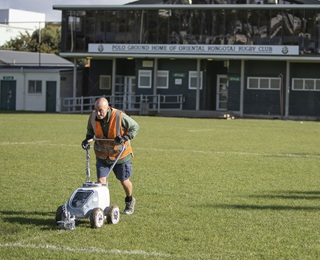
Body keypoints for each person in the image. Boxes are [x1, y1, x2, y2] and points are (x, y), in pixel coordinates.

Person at [81, 97, 140, 215]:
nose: (98, 113)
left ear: (108, 108)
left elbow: (135, 127)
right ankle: (103, 207)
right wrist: (87, 140)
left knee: (124, 181)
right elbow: (90, 131)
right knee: (101, 181)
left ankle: (129, 200)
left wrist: (124, 138)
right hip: (102, 156)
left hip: (121, 155)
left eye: (101, 110)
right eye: (96, 110)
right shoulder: (93, 117)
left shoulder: (119, 116)